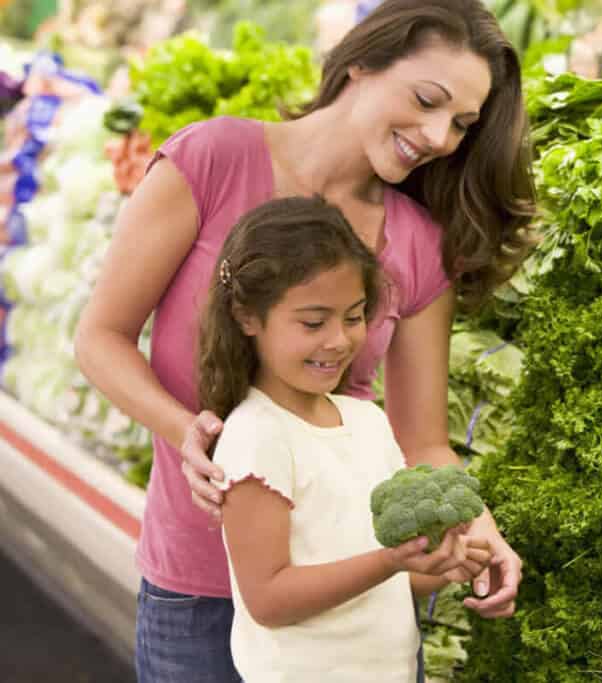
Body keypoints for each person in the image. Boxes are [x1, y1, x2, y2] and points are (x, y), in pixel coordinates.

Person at [73, 0, 534, 680]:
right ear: (361, 62)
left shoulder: (417, 242)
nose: (439, 135)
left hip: (349, 601)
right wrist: (185, 431)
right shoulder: (212, 160)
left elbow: (423, 440)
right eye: (427, 100)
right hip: (197, 596)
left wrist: (476, 521)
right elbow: (101, 337)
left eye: (462, 124)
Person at [200, 195, 490, 682]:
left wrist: (440, 562)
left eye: (353, 317)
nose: (338, 340)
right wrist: (388, 561)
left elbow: (382, 581)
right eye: (314, 322)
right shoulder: (256, 436)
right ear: (247, 317)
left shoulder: (366, 420)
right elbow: (269, 599)